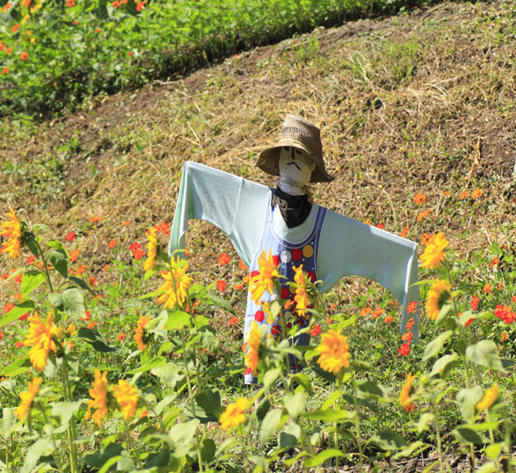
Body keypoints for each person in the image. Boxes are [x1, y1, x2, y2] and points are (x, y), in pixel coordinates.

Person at [168, 114, 419, 383]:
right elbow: (199, 180)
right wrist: (176, 256)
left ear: (313, 167)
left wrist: (406, 256)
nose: (292, 158)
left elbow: (371, 243)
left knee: (293, 378)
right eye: (287, 151)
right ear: (276, 159)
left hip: (297, 323)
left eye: (300, 154)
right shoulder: (253, 204)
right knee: (261, 383)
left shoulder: (325, 225)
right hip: (261, 321)